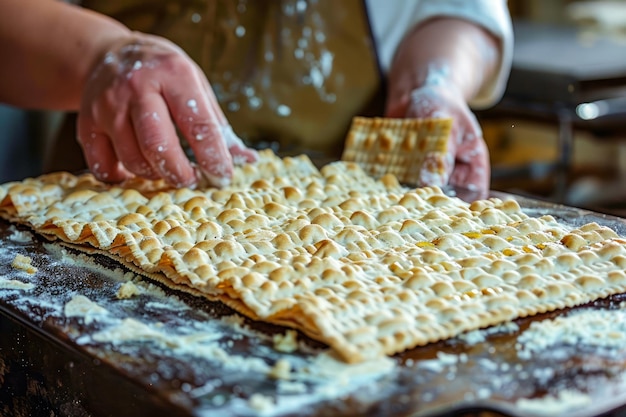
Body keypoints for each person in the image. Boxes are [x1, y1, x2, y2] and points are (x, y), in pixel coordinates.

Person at [0, 0, 512, 198]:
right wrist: (100, 55)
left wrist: (434, 82)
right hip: (112, 201)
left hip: (337, 230)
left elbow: (454, 9)